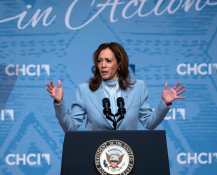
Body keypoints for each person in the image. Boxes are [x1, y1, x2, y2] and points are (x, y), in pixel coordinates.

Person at [46, 42, 186, 131]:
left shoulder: (138, 87)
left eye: (108, 61)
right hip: (94, 155)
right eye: (99, 61)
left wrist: (165, 104)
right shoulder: (84, 90)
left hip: (128, 156)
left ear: (119, 63)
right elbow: (70, 128)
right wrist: (59, 102)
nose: (103, 65)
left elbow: (149, 123)